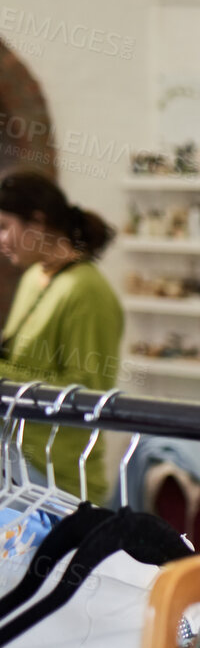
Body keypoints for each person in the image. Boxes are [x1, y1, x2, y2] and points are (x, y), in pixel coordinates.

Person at [0, 172, 124, 502]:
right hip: (16, 464)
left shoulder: (87, 291)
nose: (1, 239)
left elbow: (88, 393)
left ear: (37, 223)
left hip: (56, 478)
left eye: (5, 226)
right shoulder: (34, 278)